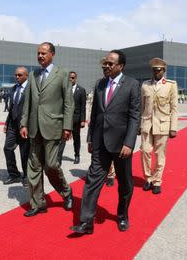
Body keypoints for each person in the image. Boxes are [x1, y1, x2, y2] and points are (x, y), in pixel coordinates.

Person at [70, 50, 141, 234]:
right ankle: (86, 222)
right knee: (92, 181)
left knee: (125, 184)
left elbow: (135, 117)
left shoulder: (132, 85)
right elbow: (95, 114)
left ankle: (122, 215)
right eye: (105, 63)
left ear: (121, 66)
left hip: (121, 145)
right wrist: (90, 139)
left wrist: (129, 143)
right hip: (100, 142)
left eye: (110, 63)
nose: (106, 66)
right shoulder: (100, 84)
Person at [20, 42, 74, 217]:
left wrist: (67, 126)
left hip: (53, 126)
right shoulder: (34, 75)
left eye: (43, 53)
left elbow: (68, 103)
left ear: (52, 54)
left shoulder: (62, 74)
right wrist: (24, 124)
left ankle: (66, 192)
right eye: (38, 53)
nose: (40, 56)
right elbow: (27, 102)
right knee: (34, 167)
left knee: (51, 165)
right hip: (35, 128)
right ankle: (38, 203)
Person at [140, 58, 178, 194]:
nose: (156, 73)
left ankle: (157, 181)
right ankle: (148, 179)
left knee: (159, 154)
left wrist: (173, 127)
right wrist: (140, 125)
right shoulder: (145, 85)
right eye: (154, 70)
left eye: (158, 70)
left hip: (162, 125)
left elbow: (174, 108)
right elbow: (142, 106)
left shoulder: (171, 85)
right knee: (145, 151)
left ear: (164, 71)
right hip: (147, 124)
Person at [3, 67, 30, 187]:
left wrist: (27, 125)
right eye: (16, 75)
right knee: (7, 148)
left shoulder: (31, 89)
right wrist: (6, 123)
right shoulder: (14, 88)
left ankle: (26, 176)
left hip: (25, 126)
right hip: (12, 125)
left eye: (20, 75)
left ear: (26, 76)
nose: (17, 77)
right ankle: (14, 174)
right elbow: (12, 108)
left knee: (24, 153)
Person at [57, 71, 86, 165]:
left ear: (76, 78)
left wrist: (82, 120)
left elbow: (83, 106)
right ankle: (59, 158)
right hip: (65, 119)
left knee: (76, 139)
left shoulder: (81, 90)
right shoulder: (63, 89)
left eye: (73, 78)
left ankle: (77, 155)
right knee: (62, 139)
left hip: (76, 120)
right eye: (69, 77)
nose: (71, 79)